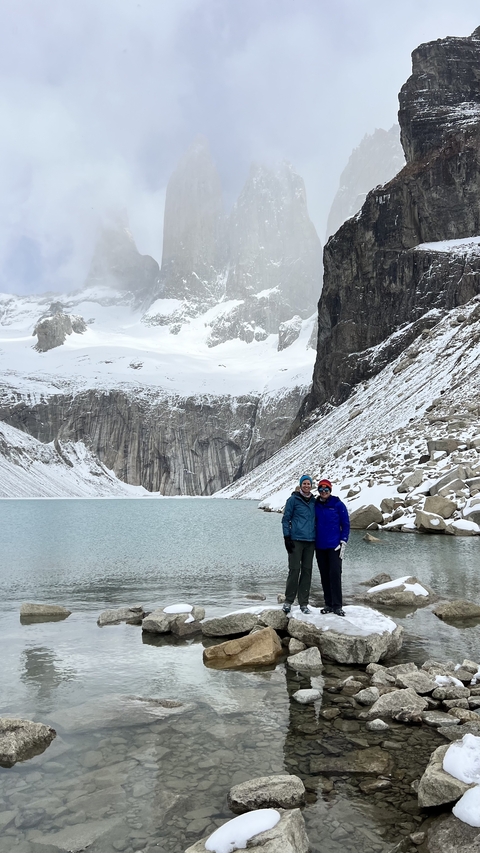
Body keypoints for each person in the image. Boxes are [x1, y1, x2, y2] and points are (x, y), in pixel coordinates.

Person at [315, 478, 350, 617]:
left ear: (330, 490)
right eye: (321, 489)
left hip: (334, 546)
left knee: (335, 574)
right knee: (324, 575)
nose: (324, 492)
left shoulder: (338, 504)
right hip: (320, 546)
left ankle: (337, 605)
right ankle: (328, 603)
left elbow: (346, 524)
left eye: (326, 489)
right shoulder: (316, 504)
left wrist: (343, 541)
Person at [281, 475, 316, 615]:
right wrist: (286, 537)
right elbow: (285, 519)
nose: (307, 486)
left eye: (309, 484)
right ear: (301, 485)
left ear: (311, 485)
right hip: (296, 540)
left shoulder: (315, 501)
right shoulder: (293, 500)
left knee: (307, 571)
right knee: (294, 570)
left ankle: (304, 603)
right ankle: (288, 601)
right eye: (304, 483)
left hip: (311, 541)